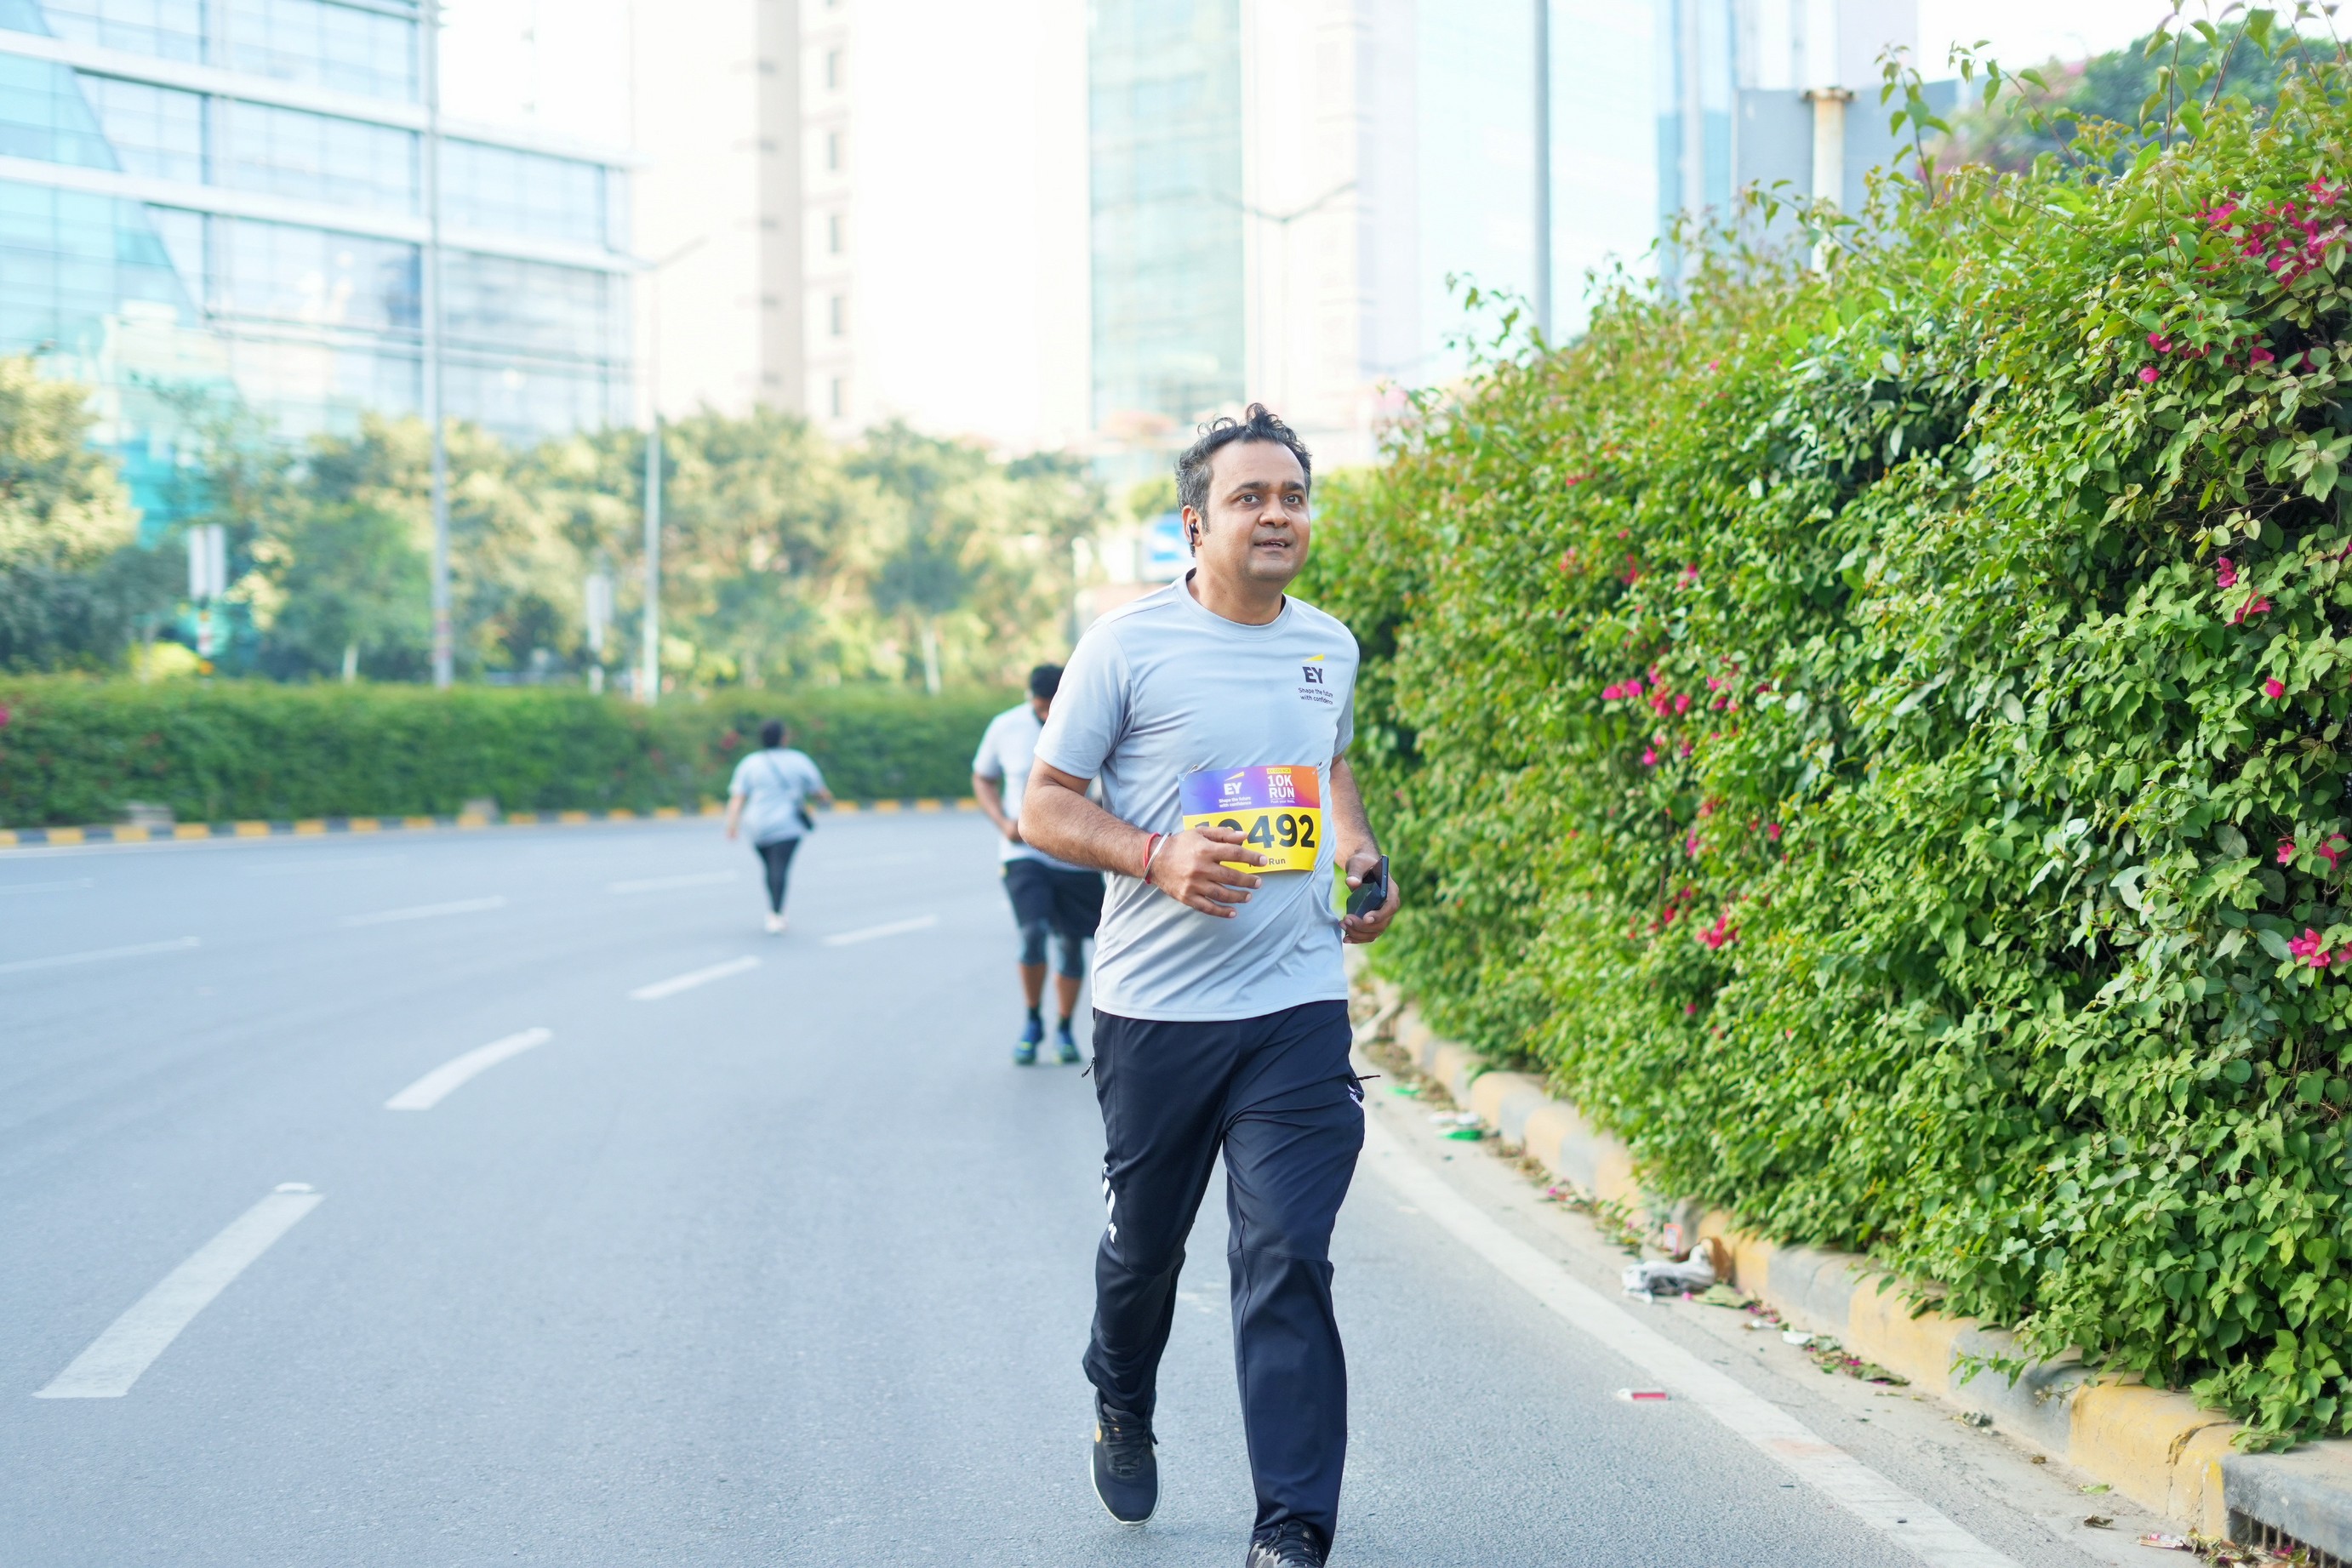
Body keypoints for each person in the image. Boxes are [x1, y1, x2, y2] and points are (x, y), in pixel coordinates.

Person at [1020, 404, 1400, 1568]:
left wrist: (1358, 851)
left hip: (1294, 1005)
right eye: (1250, 496)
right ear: (1196, 524)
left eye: (1292, 495)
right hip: (1157, 1015)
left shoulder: (1328, 645)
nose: (1277, 514)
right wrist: (1154, 854)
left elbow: (1328, 761)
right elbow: (1045, 805)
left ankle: (1291, 1526)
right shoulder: (1127, 646)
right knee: (1145, 1252)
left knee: (1286, 1250)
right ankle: (1120, 1388)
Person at [973, 664, 1105, 1065]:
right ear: (1030, 698)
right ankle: (1032, 1021)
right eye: (1040, 706)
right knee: (1032, 933)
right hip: (1024, 852)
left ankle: (1063, 1028)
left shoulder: (1092, 721)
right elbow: (982, 777)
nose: (1047, 714)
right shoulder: (1006, 726)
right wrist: (1002, 822)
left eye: (1053, 705)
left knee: (1070, 943)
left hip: (1076, 855)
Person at [723, 720, 832, 933]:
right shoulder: (799, 761)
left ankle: (774, 910)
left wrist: (732, 824)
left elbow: (738, 798)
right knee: (779, 867)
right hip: (787, 825)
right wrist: (824, 800)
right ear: (784, 738)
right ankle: (776, 913)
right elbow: (820, 792)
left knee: (771, 867)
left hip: (757, 826)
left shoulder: (750, 763)